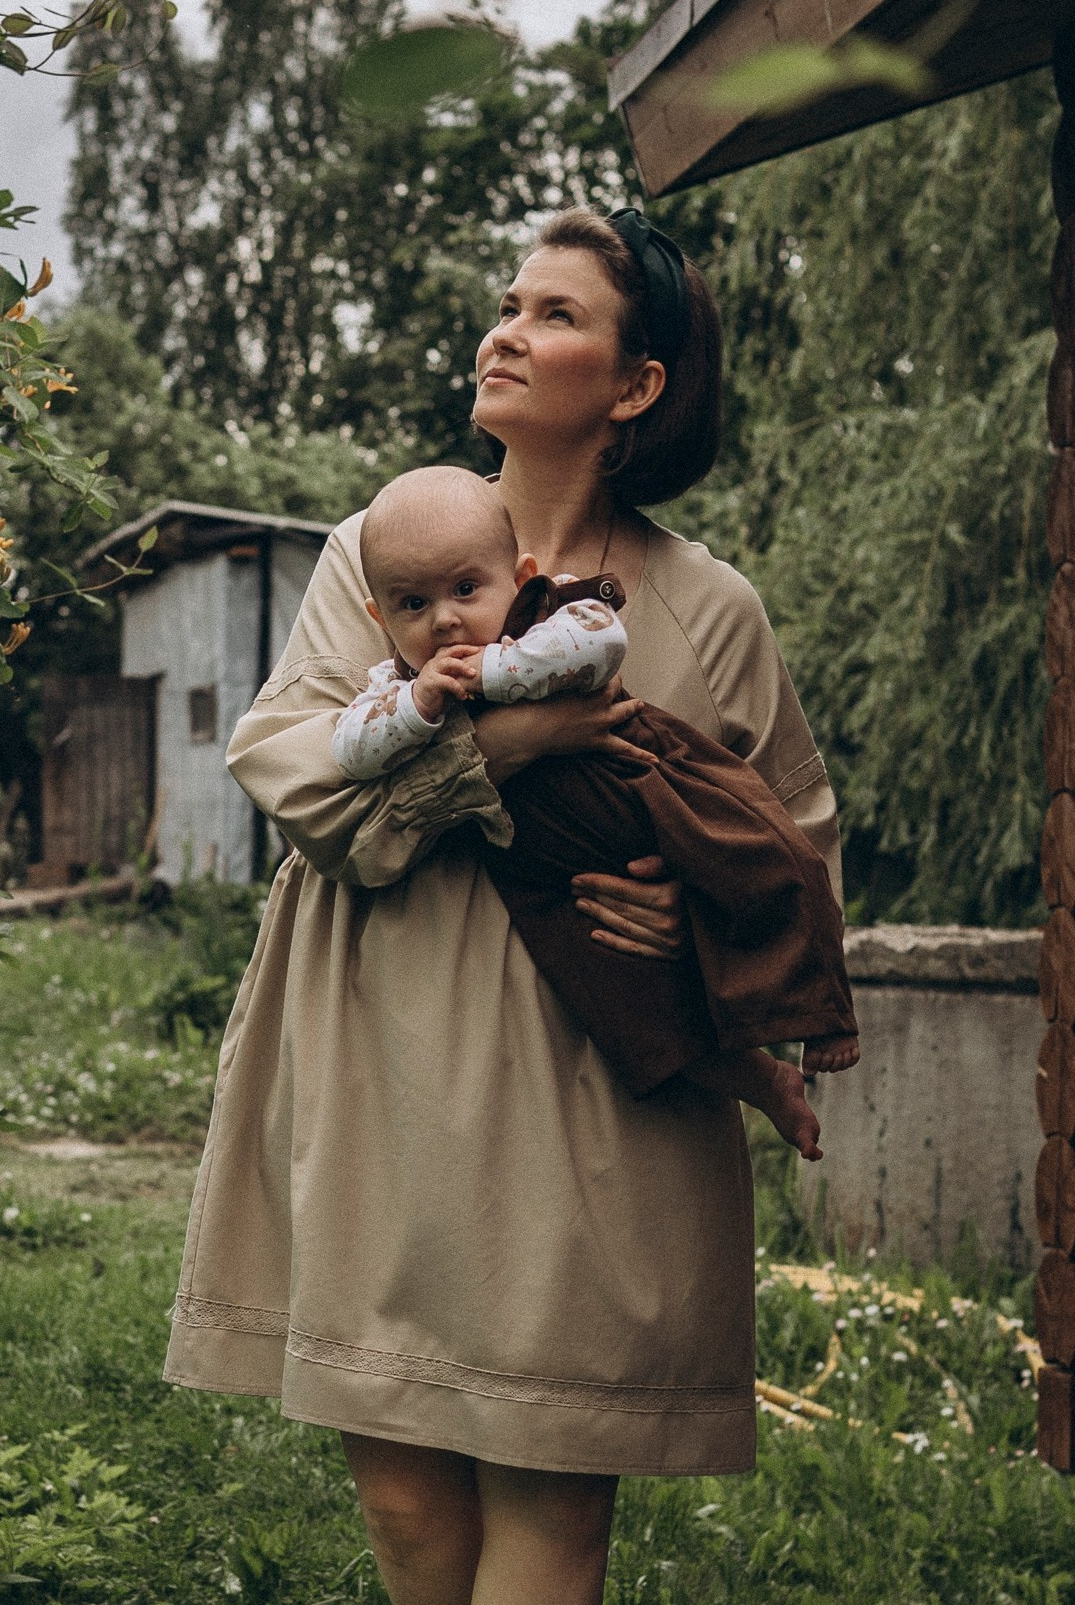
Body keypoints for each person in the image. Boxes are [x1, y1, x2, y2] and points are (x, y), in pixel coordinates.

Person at [163, 207, 846, 1605]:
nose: (505, 329)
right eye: (508, 302)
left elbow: (795, 853)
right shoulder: (381, 545)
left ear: (632, 384)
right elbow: (304, 782)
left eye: (553, 314)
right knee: (403, 1482)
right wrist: (499, 751)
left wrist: (682, 924)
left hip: (595, 1083)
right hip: (381, 1038)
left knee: (550, 1461)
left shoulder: (706, 611)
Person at [332, 462, 857, 1148]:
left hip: (643, 788)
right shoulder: (397, 683)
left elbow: (600, 642)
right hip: (543, 862)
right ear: (379, 617)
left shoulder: (547, 614)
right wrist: (420, 703)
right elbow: (350, 751)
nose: (447, 619)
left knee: (755, 855)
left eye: (466, 589)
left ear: (518, 577)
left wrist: (493, 671)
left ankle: (822, 1009)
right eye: (413, 606)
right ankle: (757, 1078)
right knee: (608, 997)